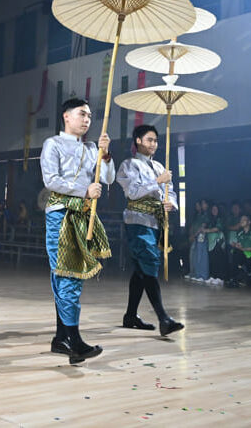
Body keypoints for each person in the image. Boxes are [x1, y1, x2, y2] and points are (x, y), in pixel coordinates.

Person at [40, 98, 114, 364]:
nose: (87, 120)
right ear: (66, 116)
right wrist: (84, 190)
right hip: (61, 214)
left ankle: (62, 339)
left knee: (68, 276)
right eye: (82, 114)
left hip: (83, 214)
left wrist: (105, 155)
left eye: (90, 116)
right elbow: (51, 180)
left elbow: (107, 178)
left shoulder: (91, 147)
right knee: (67, 275)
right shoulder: (53, 144)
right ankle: (74, 341)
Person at [116, 124, 184, 337]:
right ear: (138, 141)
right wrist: (157, 181)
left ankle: (130, 316)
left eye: (155, 140)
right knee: (149, 262)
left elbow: (171, 191)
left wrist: (171, 203)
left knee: (140, 270)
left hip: (155, 222)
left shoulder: (159, 166)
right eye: (149, 140)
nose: (154, 144)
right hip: (137, 221)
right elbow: (133, 192)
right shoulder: (129, 165)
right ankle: (163, 318)